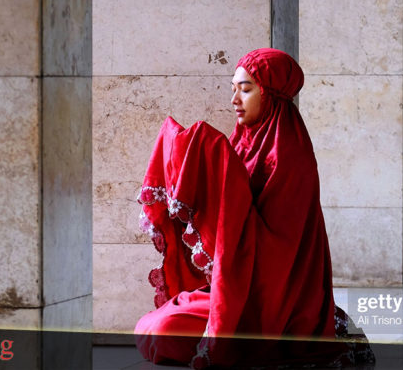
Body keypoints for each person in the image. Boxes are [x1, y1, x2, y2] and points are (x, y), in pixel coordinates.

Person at [134, 48, 372, 368]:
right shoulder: (242, 141)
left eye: (245, 90)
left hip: (271, 298)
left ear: (270, 95)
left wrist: (212, 155)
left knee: (165, 331)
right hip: (238, 282)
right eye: (233, 89)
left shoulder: (291, 158)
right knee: (149, 327)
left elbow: (278, 254)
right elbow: (229, 211)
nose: (234, 100)